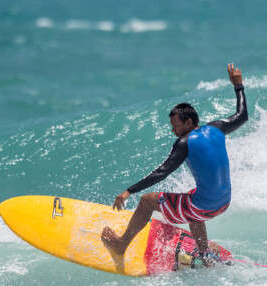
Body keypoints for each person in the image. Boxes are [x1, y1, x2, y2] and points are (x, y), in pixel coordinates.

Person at [101, 63, 248, 264]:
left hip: (203, 206)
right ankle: (205, 254)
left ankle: (120, 245)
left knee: (147, 201)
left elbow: (162, 172)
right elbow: (242, 115)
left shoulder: (185, 142)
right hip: (223, 202)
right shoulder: (217, 128)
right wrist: (238, 86)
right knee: (192, 198)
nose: (173, 131)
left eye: (176, 126)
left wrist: (129, 191)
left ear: (188, 123)